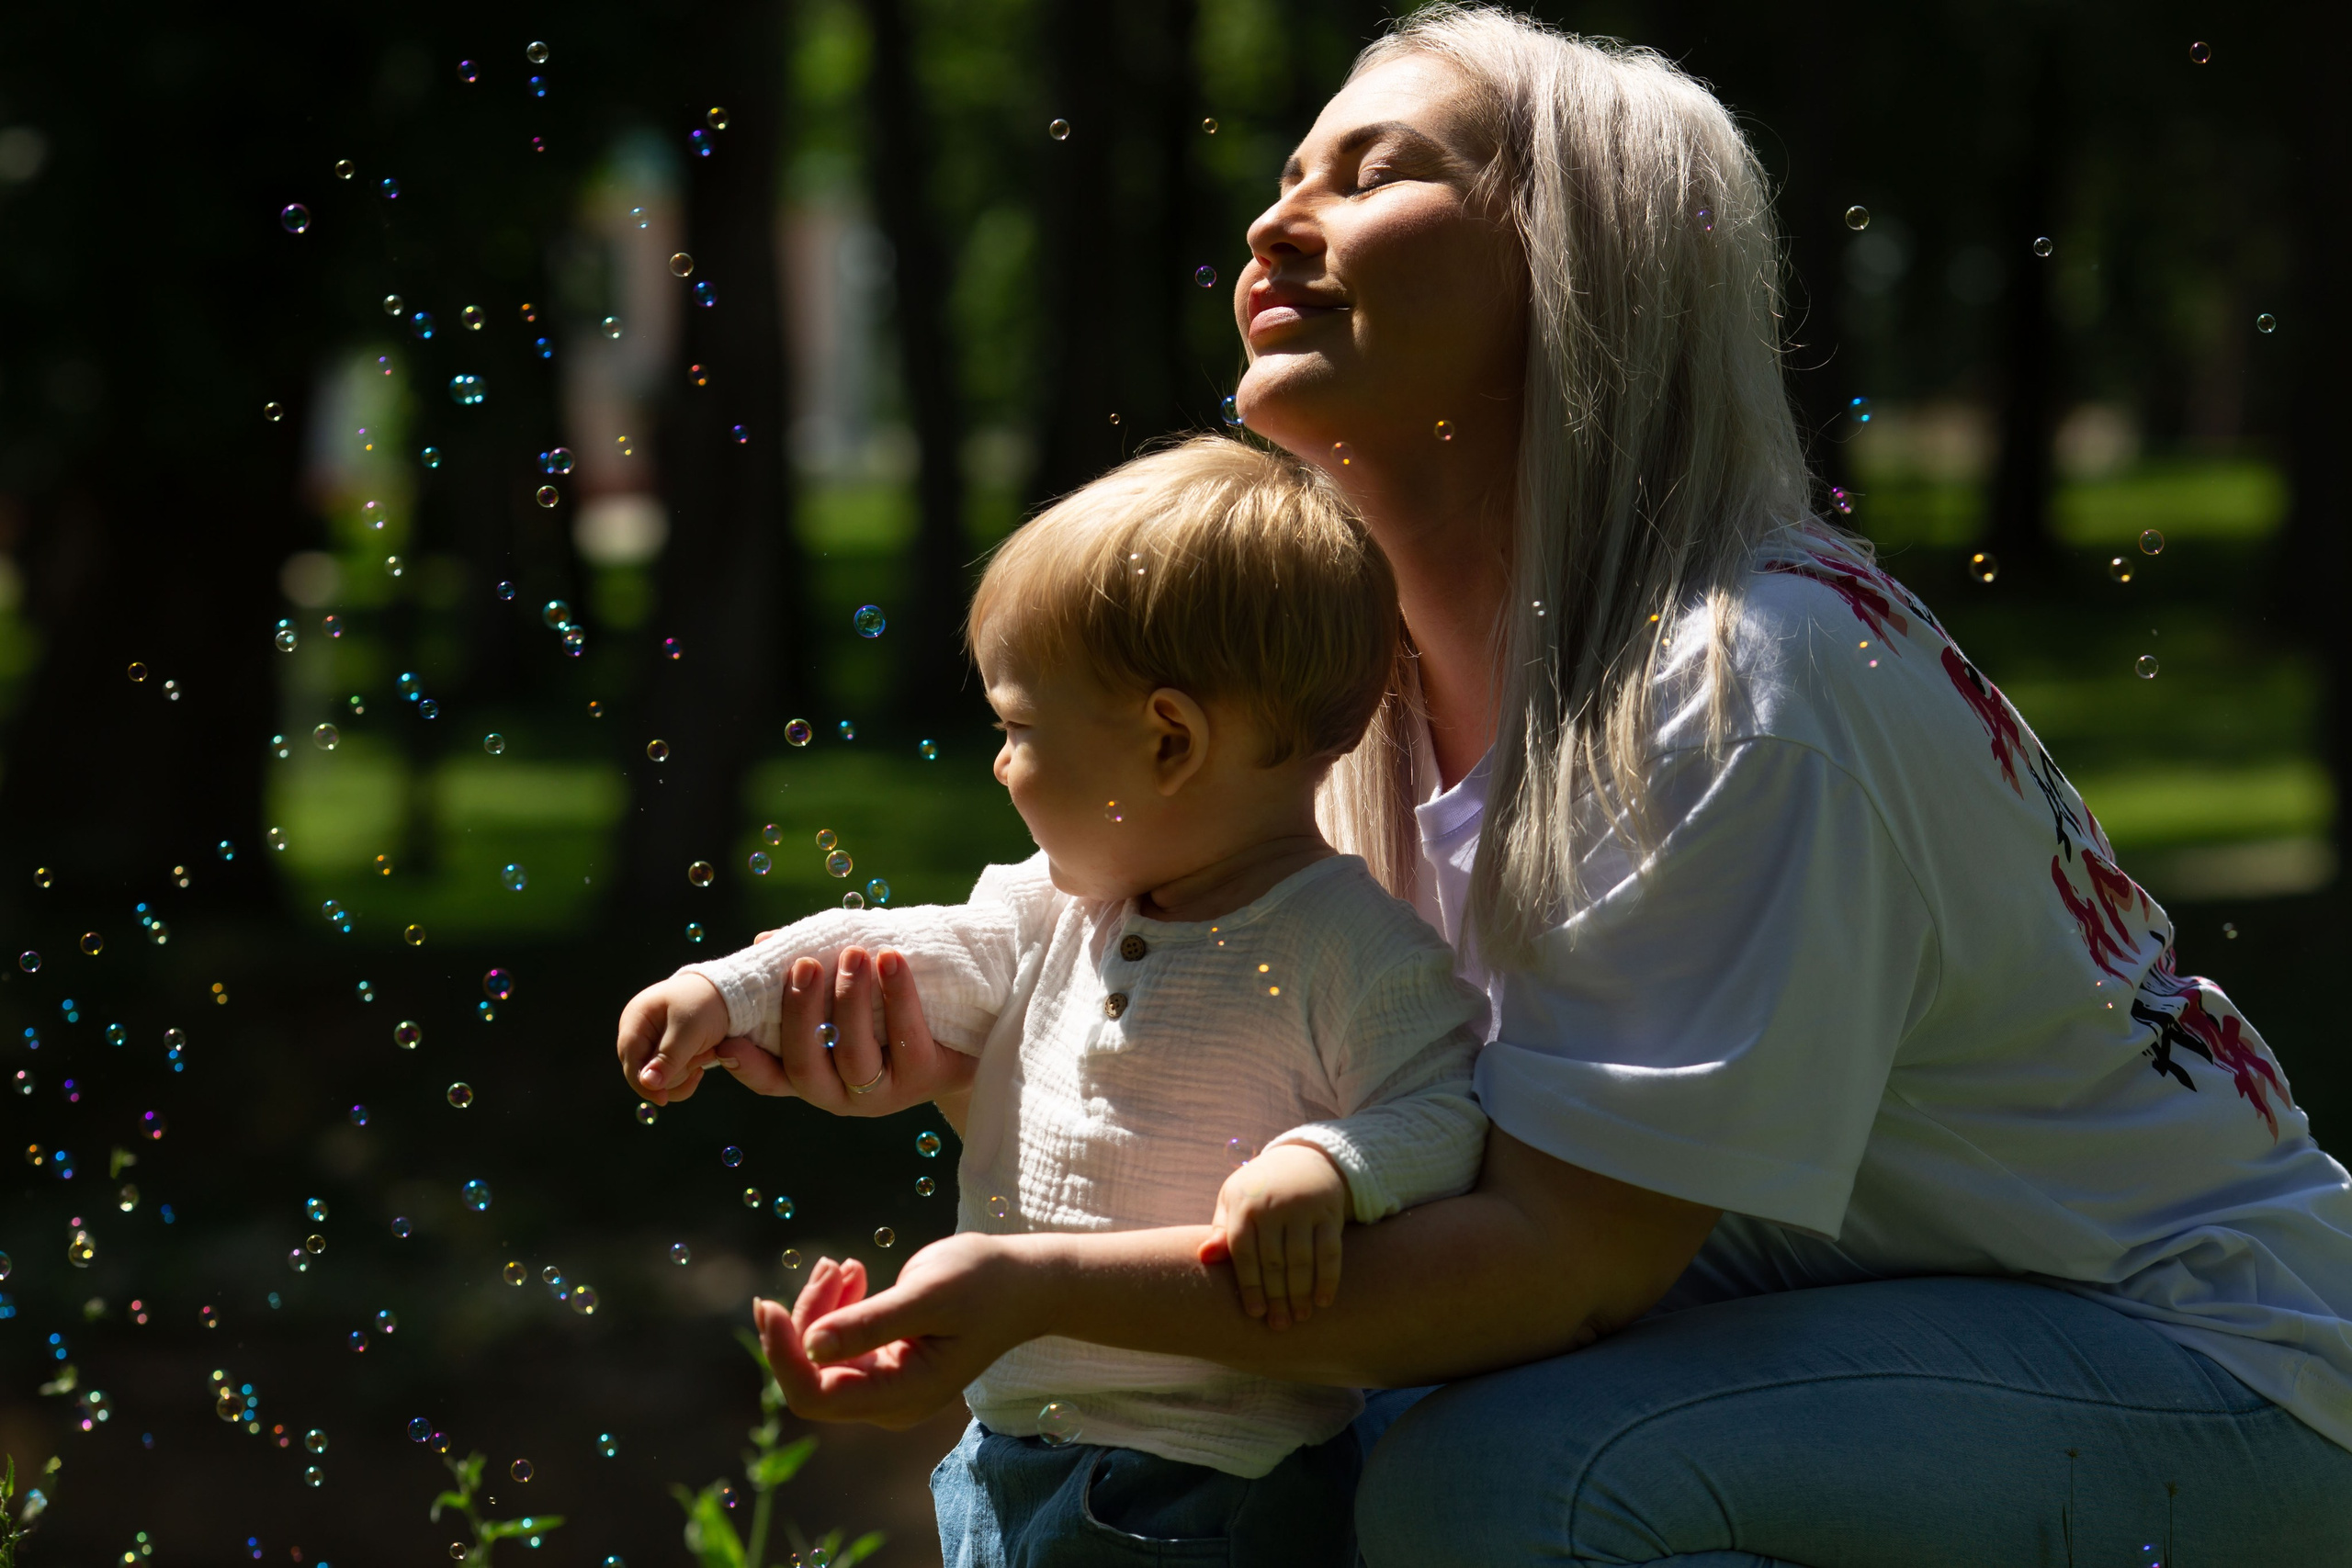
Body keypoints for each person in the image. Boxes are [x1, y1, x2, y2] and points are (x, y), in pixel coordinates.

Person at [707, 7, 2352, 1561]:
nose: (1275, 225)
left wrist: (1037, 1289)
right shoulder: (1342, 703)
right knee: (1245, 1446)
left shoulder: (1746, 681)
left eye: (1373, 176)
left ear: (1583, 268)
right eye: (1287, 177)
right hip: (1811, 1330)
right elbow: (1320, 1172)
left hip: (2198, 1367)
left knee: (1501, 1478)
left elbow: (1559, 1268)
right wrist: (988, 1066)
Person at [616, 438, 1493, 1565]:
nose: (998, 764)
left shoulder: (1351, 949)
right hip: (1005, 1457)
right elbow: (905, 945)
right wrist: (724, 989)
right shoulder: (1057, 906)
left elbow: (1445, 1114)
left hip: (1203, 1490)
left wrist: (1329, 1163)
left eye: (1018, 729)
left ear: (1168, 741)